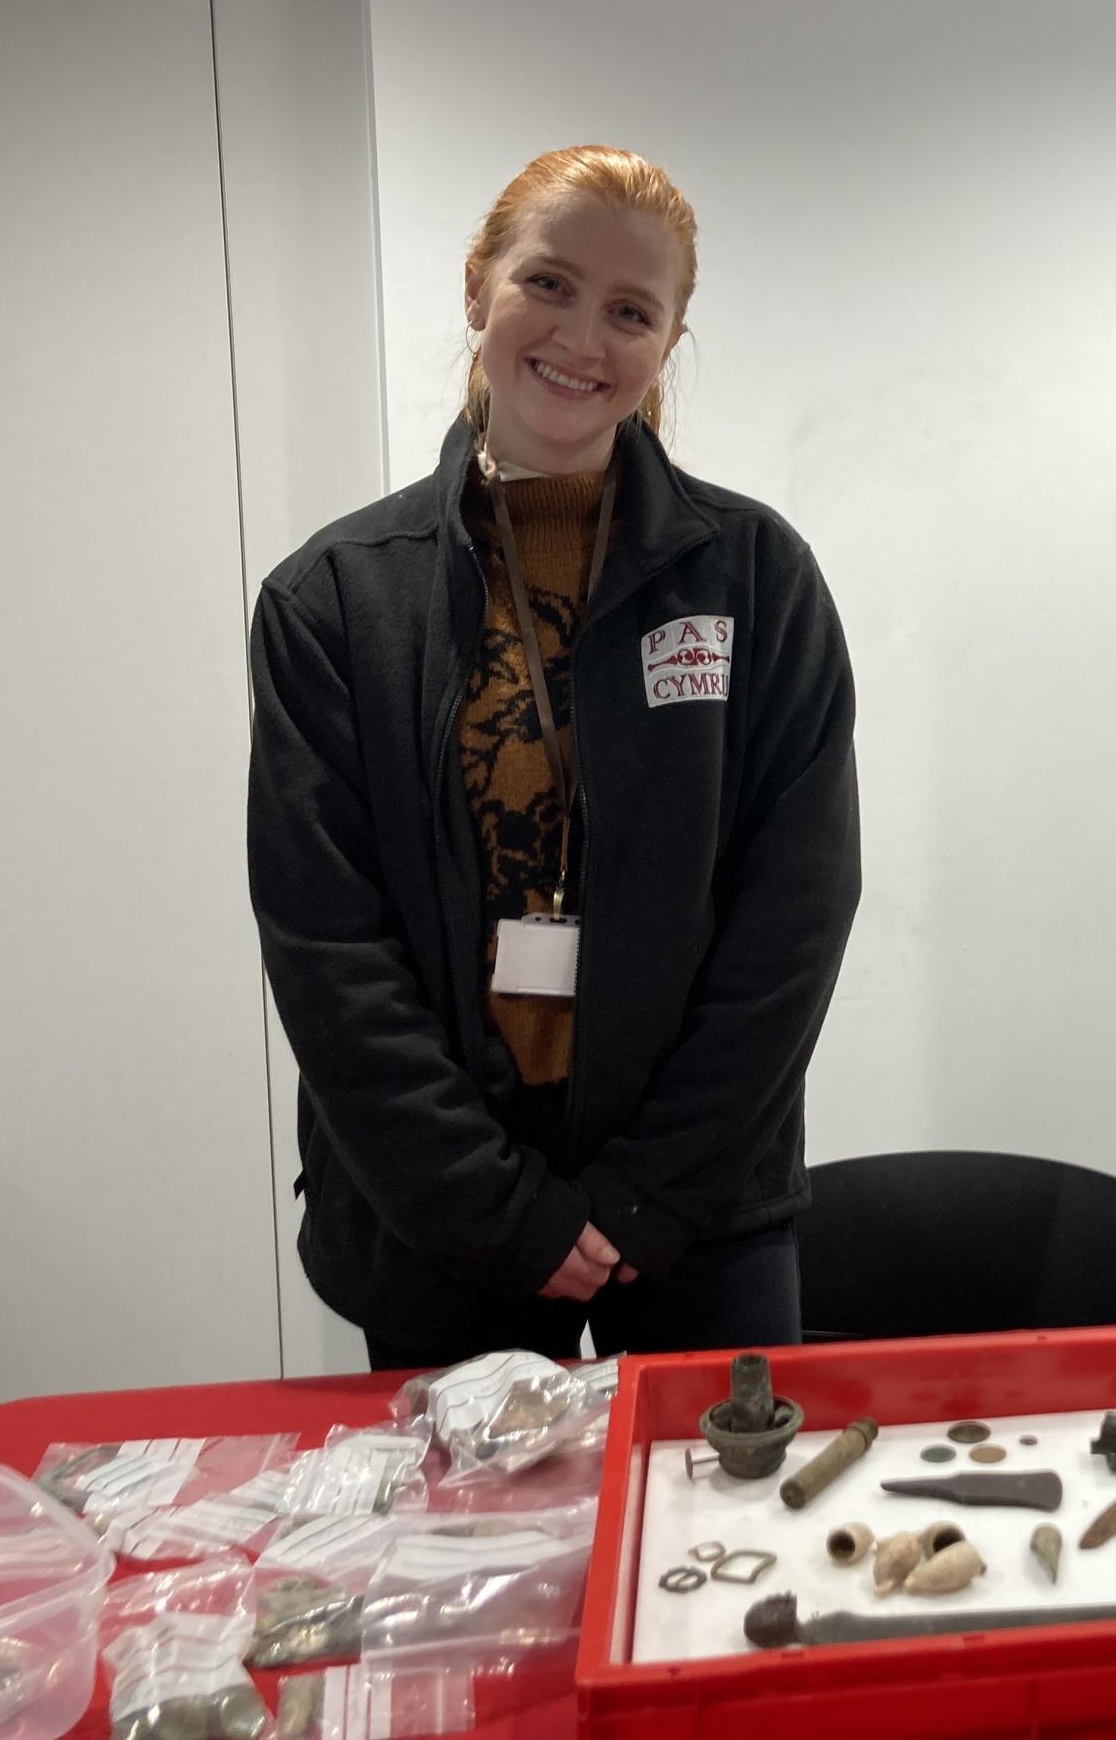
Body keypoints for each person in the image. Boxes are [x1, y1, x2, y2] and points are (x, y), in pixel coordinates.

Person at [246, 146, 861, 1369]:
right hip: (440, 1213)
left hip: (698, 1210)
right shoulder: (331, 600)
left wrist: (651, 1190)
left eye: (632, 311)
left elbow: (793, 916)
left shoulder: (755, 577)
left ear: (668, 343)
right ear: (478, 289)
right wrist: (493, 1208)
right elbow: (328, 946)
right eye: (550, 283)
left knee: (722, 1537)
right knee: (473, 1556)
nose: (584, 337)